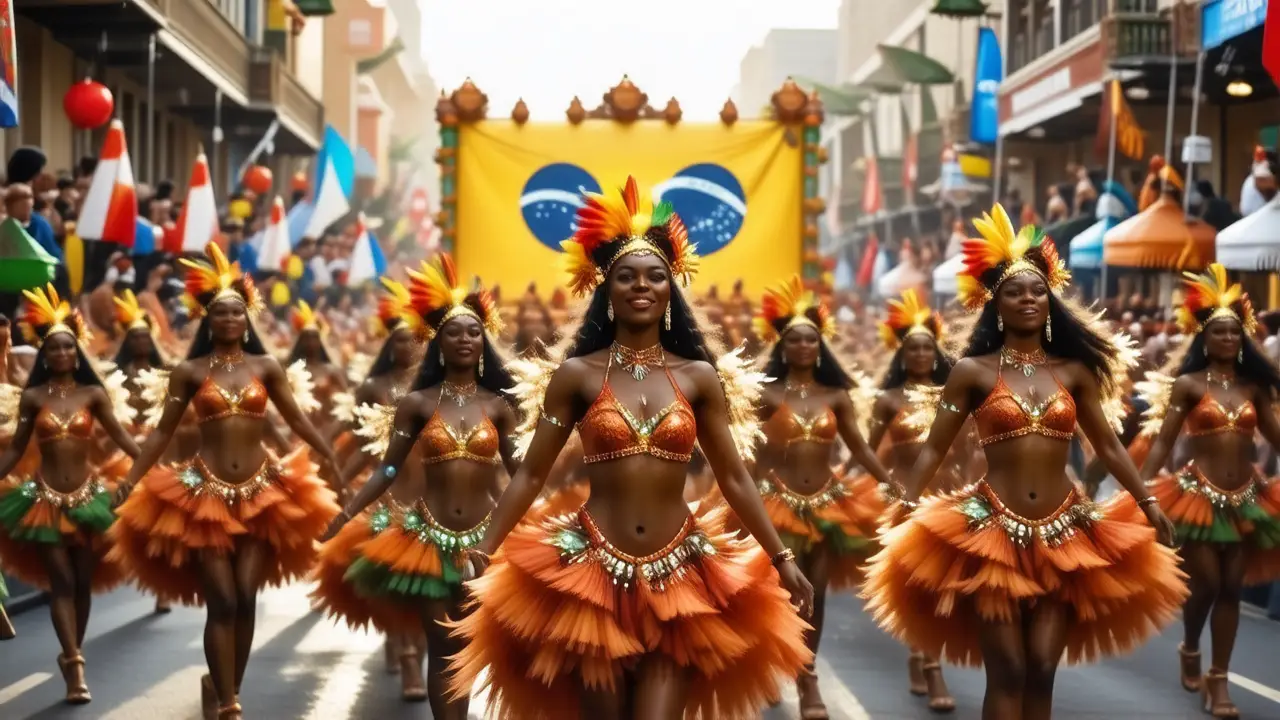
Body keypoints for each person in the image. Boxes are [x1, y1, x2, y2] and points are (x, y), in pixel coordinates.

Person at [445, 177, 813, 719]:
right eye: (626, 276)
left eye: (655, 276)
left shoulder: (698, 378)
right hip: (590, 573)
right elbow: (529, 475)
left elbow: (734, 478)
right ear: (608, 291)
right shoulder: (576, 376)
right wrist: (485, 548)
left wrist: (782, 558)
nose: (641, 285)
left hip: (682, 573)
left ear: (670, 291)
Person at [862, 203, 1186, 720]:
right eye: (1015, 291)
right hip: (991, 534)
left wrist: (1147, 503)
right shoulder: (970, 372)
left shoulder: (1074, 371)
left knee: (1041, 666)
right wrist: (903, 502)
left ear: (1051, 300)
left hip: (1065, 532)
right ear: (995, 302)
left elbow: (1107, 446)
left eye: (1038, 290)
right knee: (1008, 668)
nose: (1029, 299)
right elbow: (934, 448)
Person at [109, 244, 342, 720]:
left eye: (237, 311)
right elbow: (161, 432)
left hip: (263, 492)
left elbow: (295, 420)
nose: (230, 319)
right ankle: (230, 704)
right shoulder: (190, 372)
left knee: (246, 596)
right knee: (224, 598)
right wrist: (132, 477)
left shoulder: (267, 367)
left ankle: (227, 684)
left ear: (247, 317)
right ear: (207, 319)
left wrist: (330, 459)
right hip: (204, 493)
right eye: (221, 312)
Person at [317, 253, 519, 718]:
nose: (466, 340)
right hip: (427, 541)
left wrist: (544, 513)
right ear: (437, 342)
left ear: (484, 340)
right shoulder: (416, 404)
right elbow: (388, 469)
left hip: (490, 541)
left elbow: (521, 473)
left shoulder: (501, 405)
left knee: (470, 640)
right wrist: (346, 512)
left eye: (474, 332)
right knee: (442, 643)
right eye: (454, 332)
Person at [1127, 265, 1280, 718]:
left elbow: (1274, 434)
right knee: (1208, 583)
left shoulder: (1254, 387)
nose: (1229, 339)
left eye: (1235, 333)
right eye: (1220, 332)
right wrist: (1143, 491)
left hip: (1247, 498)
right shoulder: (1189, 385)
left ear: (1243, 338)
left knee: (1232, 585)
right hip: (1197, 497)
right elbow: (1164, 440)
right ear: (1204, 338)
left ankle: (1219, 679)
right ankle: (1191, 643)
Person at [743, 274, 893, 719]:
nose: (804, 347)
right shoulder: (766, 393)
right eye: (795, 340)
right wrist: (741, 490)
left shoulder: (837, 395)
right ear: (783, 345)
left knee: (818, 594)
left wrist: (890, 480)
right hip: (776, 503)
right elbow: (747, 447)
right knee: (780, 593)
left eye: (811, 340)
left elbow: (861, 446)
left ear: (820, 345)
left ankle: (807, 679)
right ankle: (775, 662)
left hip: (829, 504)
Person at [0, 286, 140, 704]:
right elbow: (14, 448)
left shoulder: (93, 395)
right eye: (54, 347)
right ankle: (75, 662)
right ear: (45, 354)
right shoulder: (33, 396)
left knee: (81, 583)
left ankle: (71, 652)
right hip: (42, 499)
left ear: (77, 352)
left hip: (89, 499)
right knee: (60, 581)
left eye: (68, 346)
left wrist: (149, 468)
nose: (61, 353)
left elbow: (124, 439)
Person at [866, 289, 970, 713]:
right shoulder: (887, 400)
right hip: (909, 500)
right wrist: (887, 483)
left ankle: (918, 652)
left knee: (943, 585)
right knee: (919, 584)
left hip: (949, 497)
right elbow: (867, 450)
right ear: (902, 353)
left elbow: (971, 445)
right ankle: (932, 667)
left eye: (928, 347)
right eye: (914, 348)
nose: (923, 353)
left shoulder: (954, 393)